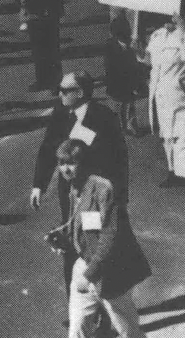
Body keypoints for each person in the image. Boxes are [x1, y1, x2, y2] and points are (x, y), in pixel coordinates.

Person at [31, 72, 128, 298]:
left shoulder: (104, 117)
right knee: (72, 244)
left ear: (81, 93)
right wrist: (39, 185)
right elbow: (48, 148)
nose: (60, 94)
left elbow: (120, 159)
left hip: (95, 198)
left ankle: (102, 306)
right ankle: (77, 304)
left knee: (91, 245)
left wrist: (120, 196)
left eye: (65, 90)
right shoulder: (61, 114)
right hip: (70, 196)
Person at [55, 139, 150, 338]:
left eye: (71, 163)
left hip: (110, 272)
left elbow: (109, 235)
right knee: (77, 328)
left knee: (127, 330)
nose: (66, 169)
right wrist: (65, 239)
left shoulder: (102, 189)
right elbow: (88, 228)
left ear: (84, 163)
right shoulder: (74, 188)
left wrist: (89, 274)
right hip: (86, 264)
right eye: (62, 163)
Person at [144, 11, 185, 196]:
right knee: (167, 136)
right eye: (165, 17)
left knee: (184, 135)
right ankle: (173, 172)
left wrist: (182, 29)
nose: (169, 21)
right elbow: (150, 60)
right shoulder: (157, 36)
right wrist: (139, 53)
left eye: (173, 18)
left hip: (182, 94)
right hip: (161, 94)